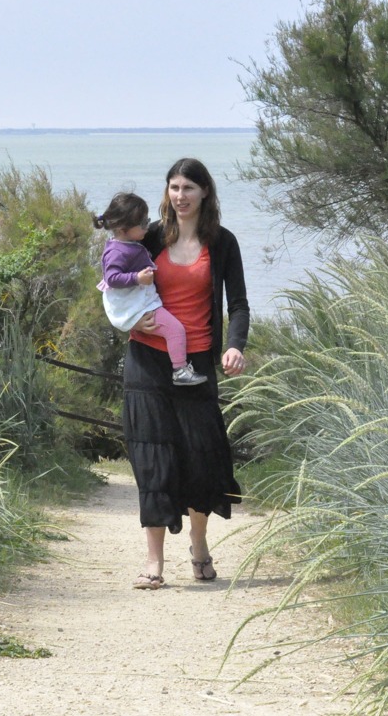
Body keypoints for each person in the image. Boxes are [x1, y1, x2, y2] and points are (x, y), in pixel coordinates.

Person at [124, 157, 249, 590]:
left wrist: (234, 345)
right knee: (153, 461)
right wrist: (127, 321)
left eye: (188, 188)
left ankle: (198, 544)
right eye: (174, 188)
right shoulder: (152, 237)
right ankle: (153, 564)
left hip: (195, 362)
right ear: (167, 192)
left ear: (205, 193)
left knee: (200, 459)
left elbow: (238, 305)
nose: (180, 196)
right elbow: (114, 280)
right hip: (146, 362)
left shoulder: (223, 243)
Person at [94, 192, 207, 386]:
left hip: (138, 305)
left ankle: (179, 369)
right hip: (138, 307)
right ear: (123, 228)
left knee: (173, 329)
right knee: (175, 330)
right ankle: (180, 370)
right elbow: (111, 278)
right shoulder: (116, 251)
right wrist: (137, 278)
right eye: (143, 223)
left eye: (147, 220)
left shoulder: (127, 243)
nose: (148, 226)